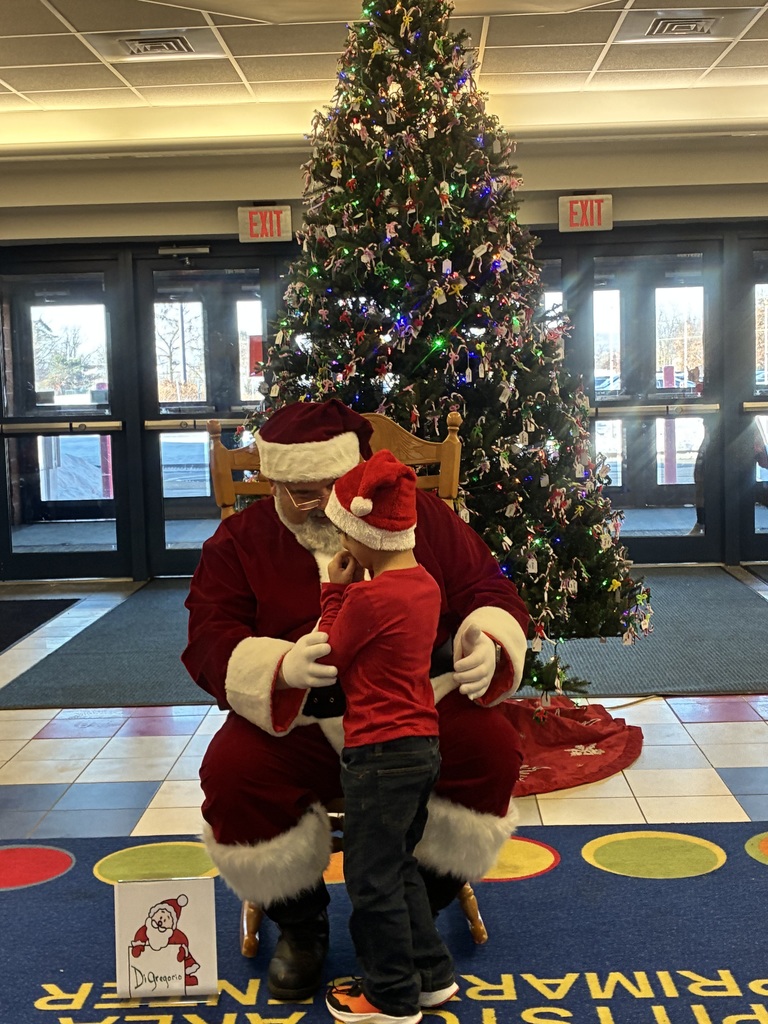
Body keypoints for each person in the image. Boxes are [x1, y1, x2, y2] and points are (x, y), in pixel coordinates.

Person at [182, 398, 529, 1002]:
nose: (310, 504)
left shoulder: (416, 515)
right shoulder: (241, 540)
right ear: (272, 479)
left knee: (492, 751)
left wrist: (490, 638)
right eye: (293, 490)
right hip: (301, 718)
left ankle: (415, 903)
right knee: (234, 774)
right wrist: (280, 666)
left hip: (415, 708)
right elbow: (210, 637)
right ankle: (301, 921)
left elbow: (486, 585)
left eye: (323, 488)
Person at [319, 448, 457, 1024]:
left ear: (366, 536)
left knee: (370, 878)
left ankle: (390, 995)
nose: (341, 548)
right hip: (423, 745)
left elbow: (330, 653)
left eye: (344, 536)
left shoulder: (368, 598)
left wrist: (333, 589)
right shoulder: (425, 586)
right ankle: (431, 974)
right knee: (399, 862)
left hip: (376, 750)